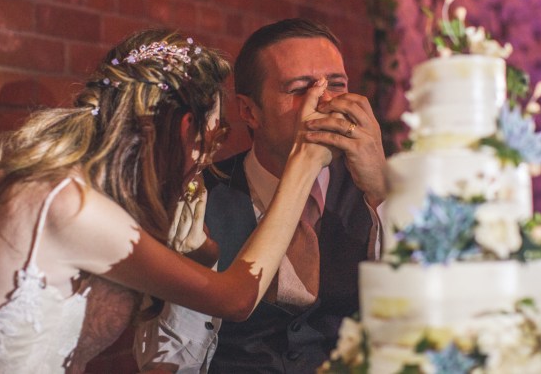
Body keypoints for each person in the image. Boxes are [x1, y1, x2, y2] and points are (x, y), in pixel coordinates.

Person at [0, 28, 334, 373]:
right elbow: (236, 299)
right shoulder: (66, 205)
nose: (205, 161)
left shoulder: (70, 193)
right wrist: (304, 163)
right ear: (187, 128)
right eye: (213, 138)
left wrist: (203, 251)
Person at [136, 19, 387, 373]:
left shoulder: (383, 191)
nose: (325, 101)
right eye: (300, 89)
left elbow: (432, 317)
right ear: (250, 112)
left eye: (337, 84)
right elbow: (166, 363)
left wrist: (384, 194)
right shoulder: (198, 196)